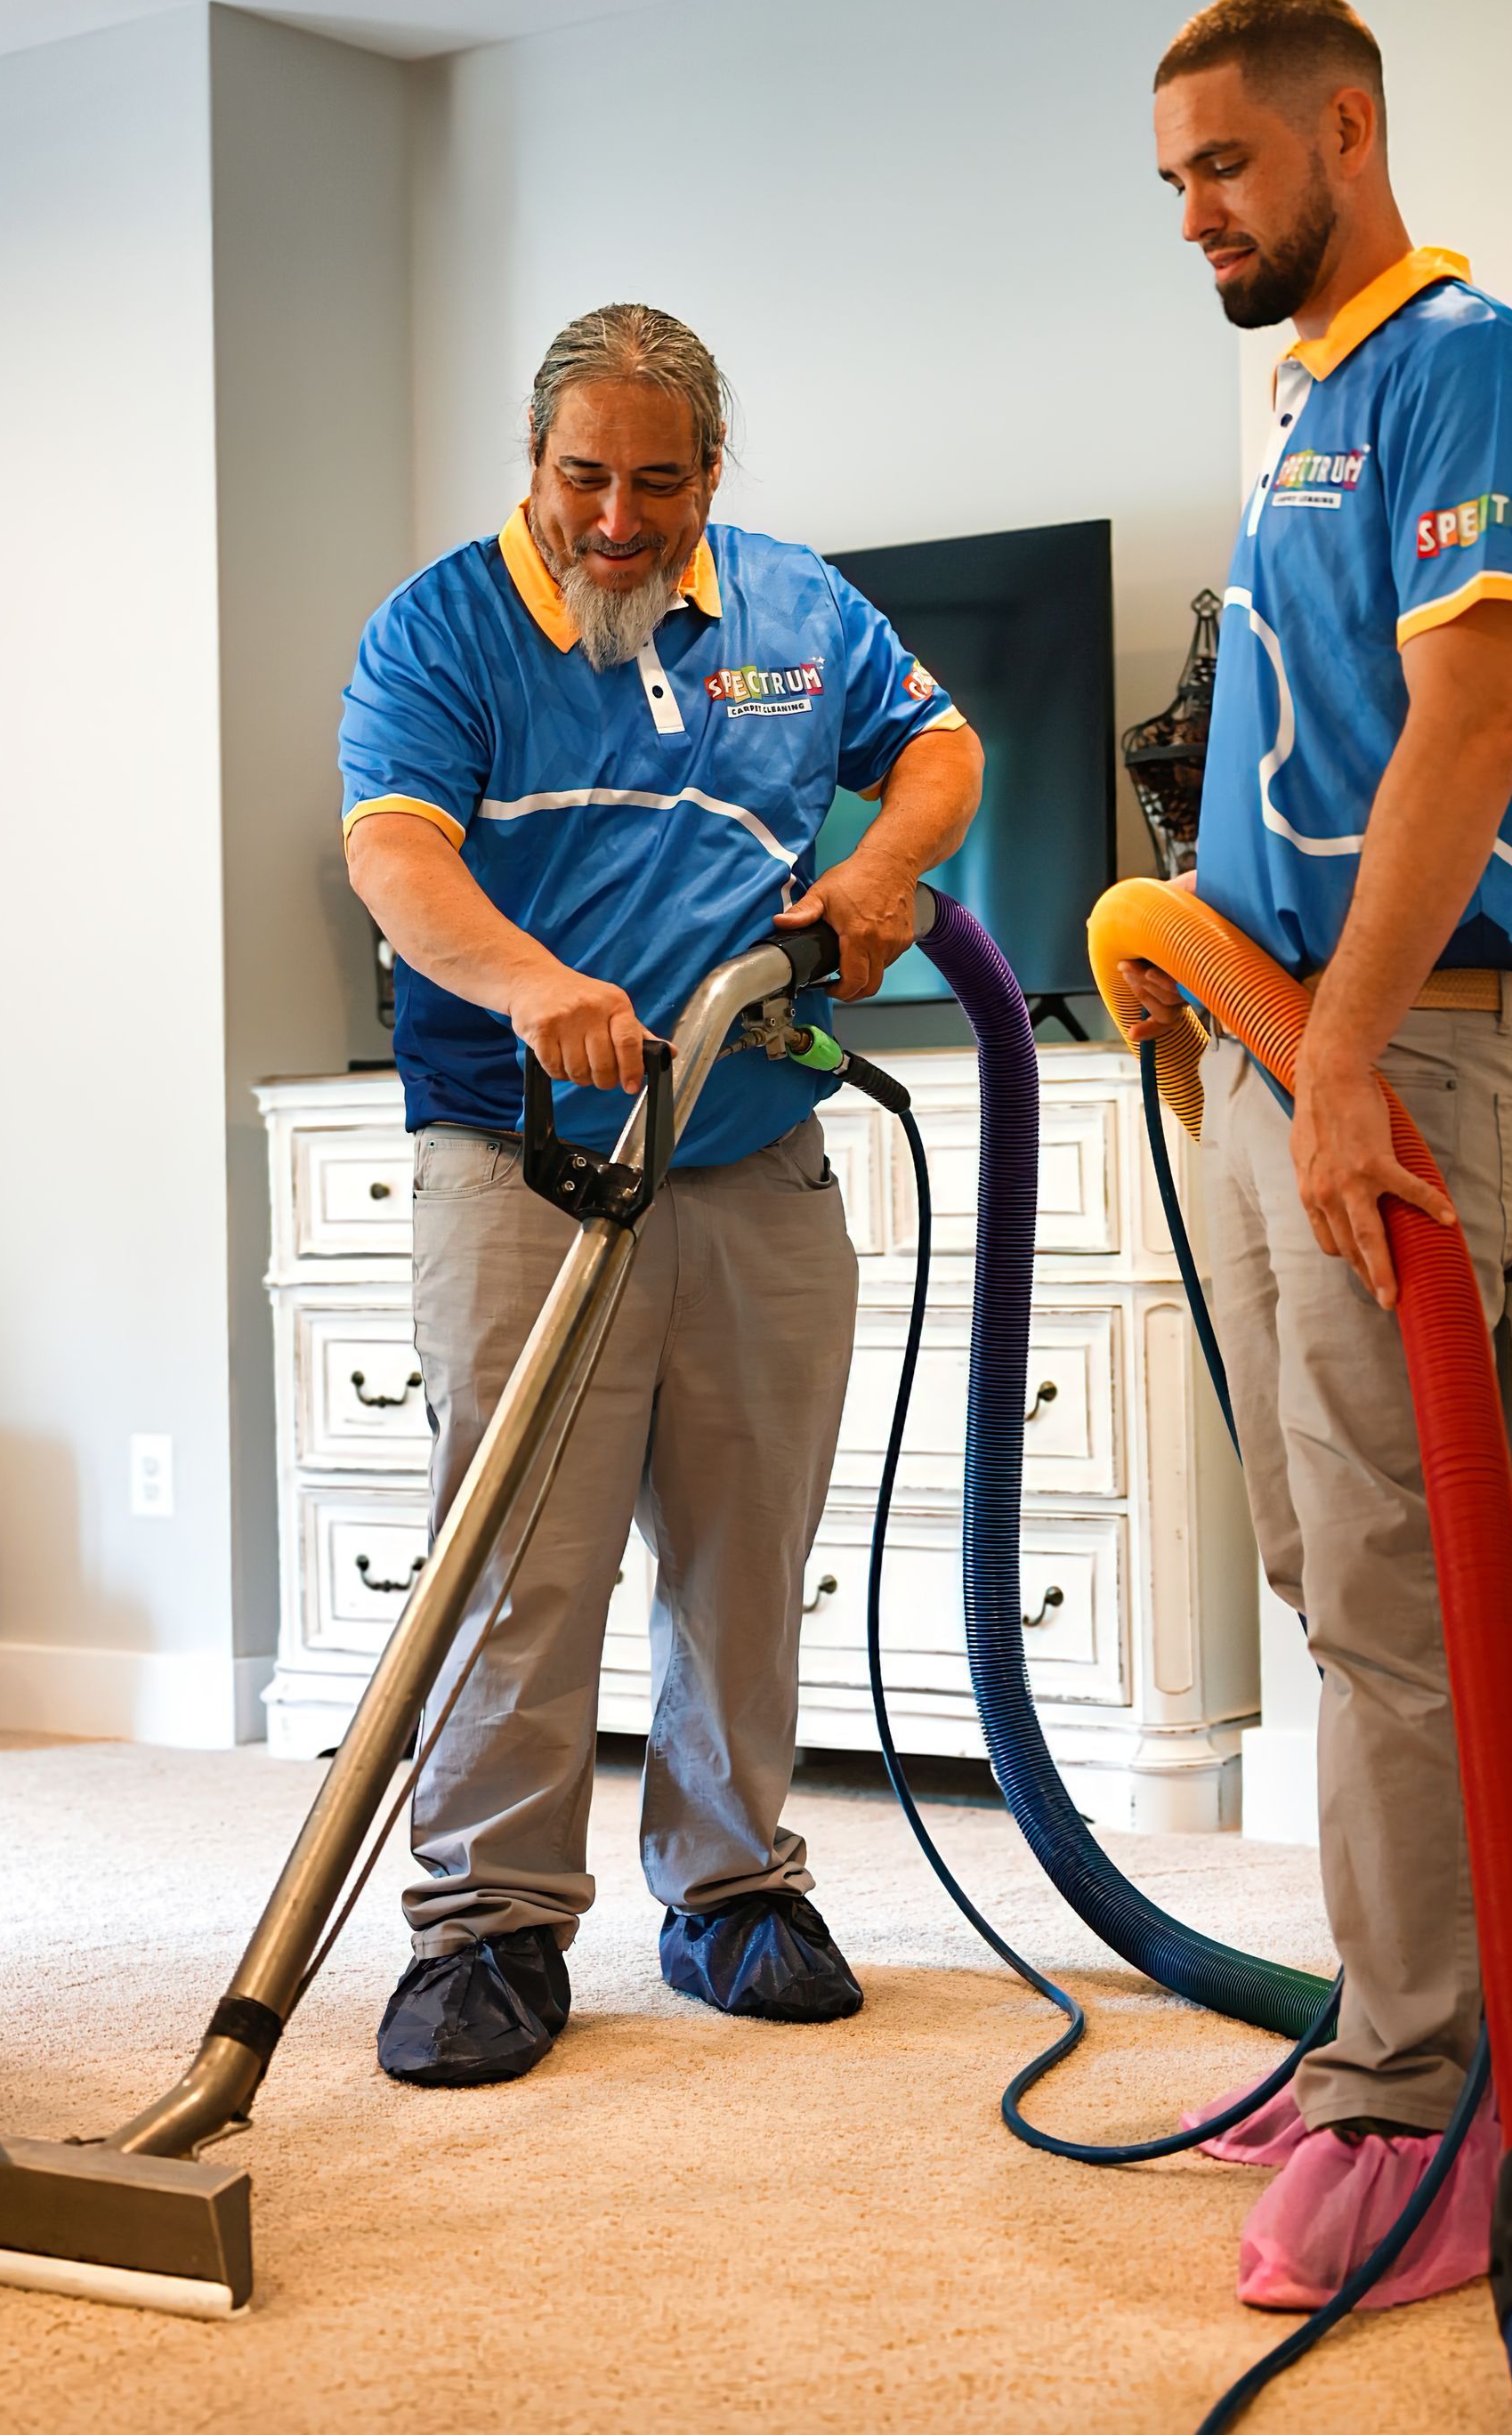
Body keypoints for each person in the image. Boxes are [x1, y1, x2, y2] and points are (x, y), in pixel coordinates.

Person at [340, 303, 983, 2086]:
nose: (615, 520)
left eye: (656, 481)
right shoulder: (442, 625)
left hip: (753, 1143)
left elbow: (942, 752)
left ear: (712, 473)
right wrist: (530, 981)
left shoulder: (795, 610)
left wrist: (871, 871)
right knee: (519, 1562)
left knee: (743, 1547)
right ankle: (488, 1924)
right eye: (581, 478)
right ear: (532, 464)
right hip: (526, 1151)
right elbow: (393, 846)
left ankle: (730, 1887)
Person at [1127, 0, 1512, 2310]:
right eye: (1174, 181)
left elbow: (1475, 710)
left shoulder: (1469, 359)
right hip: (1278, 1049)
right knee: (1327, 1571)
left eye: (1224, 167)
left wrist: (1355, 1052)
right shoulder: (1311, 397)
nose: (1193, 213)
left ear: (1345, 132)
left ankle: (1441, 2102)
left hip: (1398, 1059)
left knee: (1404, 1595)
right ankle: (1410, 2023)